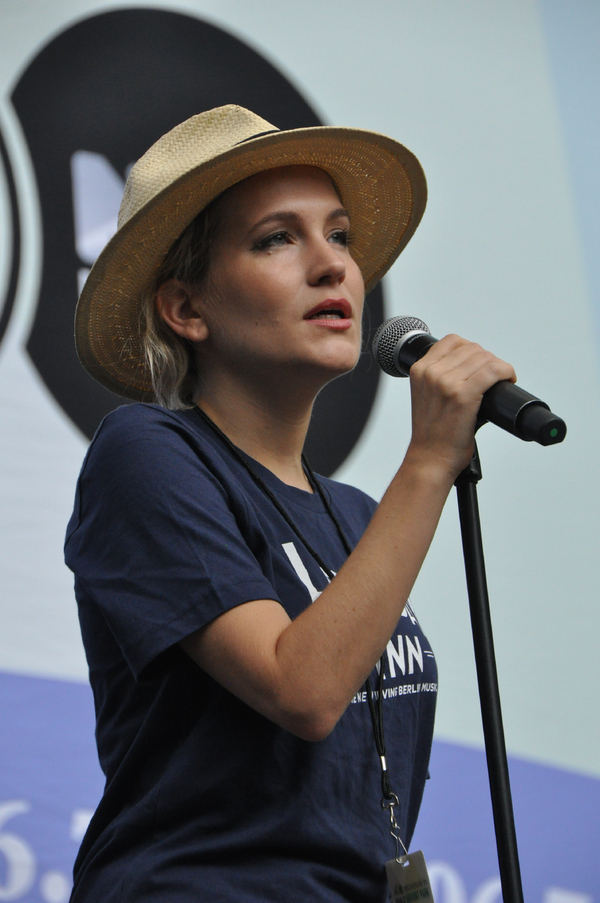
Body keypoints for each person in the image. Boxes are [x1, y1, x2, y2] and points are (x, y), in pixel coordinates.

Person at [65, 104, 515, 902]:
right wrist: (432, 459)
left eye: (338, 235)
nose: (332, 265)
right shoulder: (145, 453)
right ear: (186, 309)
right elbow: (301, 689)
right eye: (278, 238)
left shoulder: (354, 511)